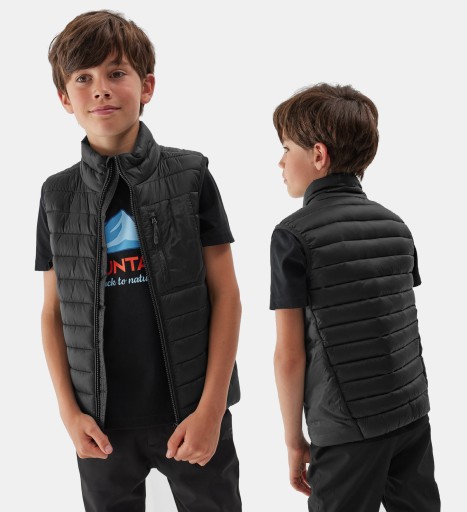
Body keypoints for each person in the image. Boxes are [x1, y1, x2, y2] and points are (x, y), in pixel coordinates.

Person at [35, 10, 241, 511]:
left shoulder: (191, 175)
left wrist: (212, 409)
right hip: (101, 426)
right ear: (64, 98)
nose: (100, 90)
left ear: (146, 86)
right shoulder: (57, 195)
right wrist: (69, 414)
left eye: (116, 73)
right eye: (83, 78)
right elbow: (53, 312)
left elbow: (227, 295)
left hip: (191, 413)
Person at [270, 83, 441, 512]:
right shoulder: (396, 226)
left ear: (319, 155)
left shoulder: (291, 236)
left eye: (286, 148)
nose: (281, 161)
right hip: (411, 415)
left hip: (346, 431)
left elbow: (289, 356)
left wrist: (294, 440)